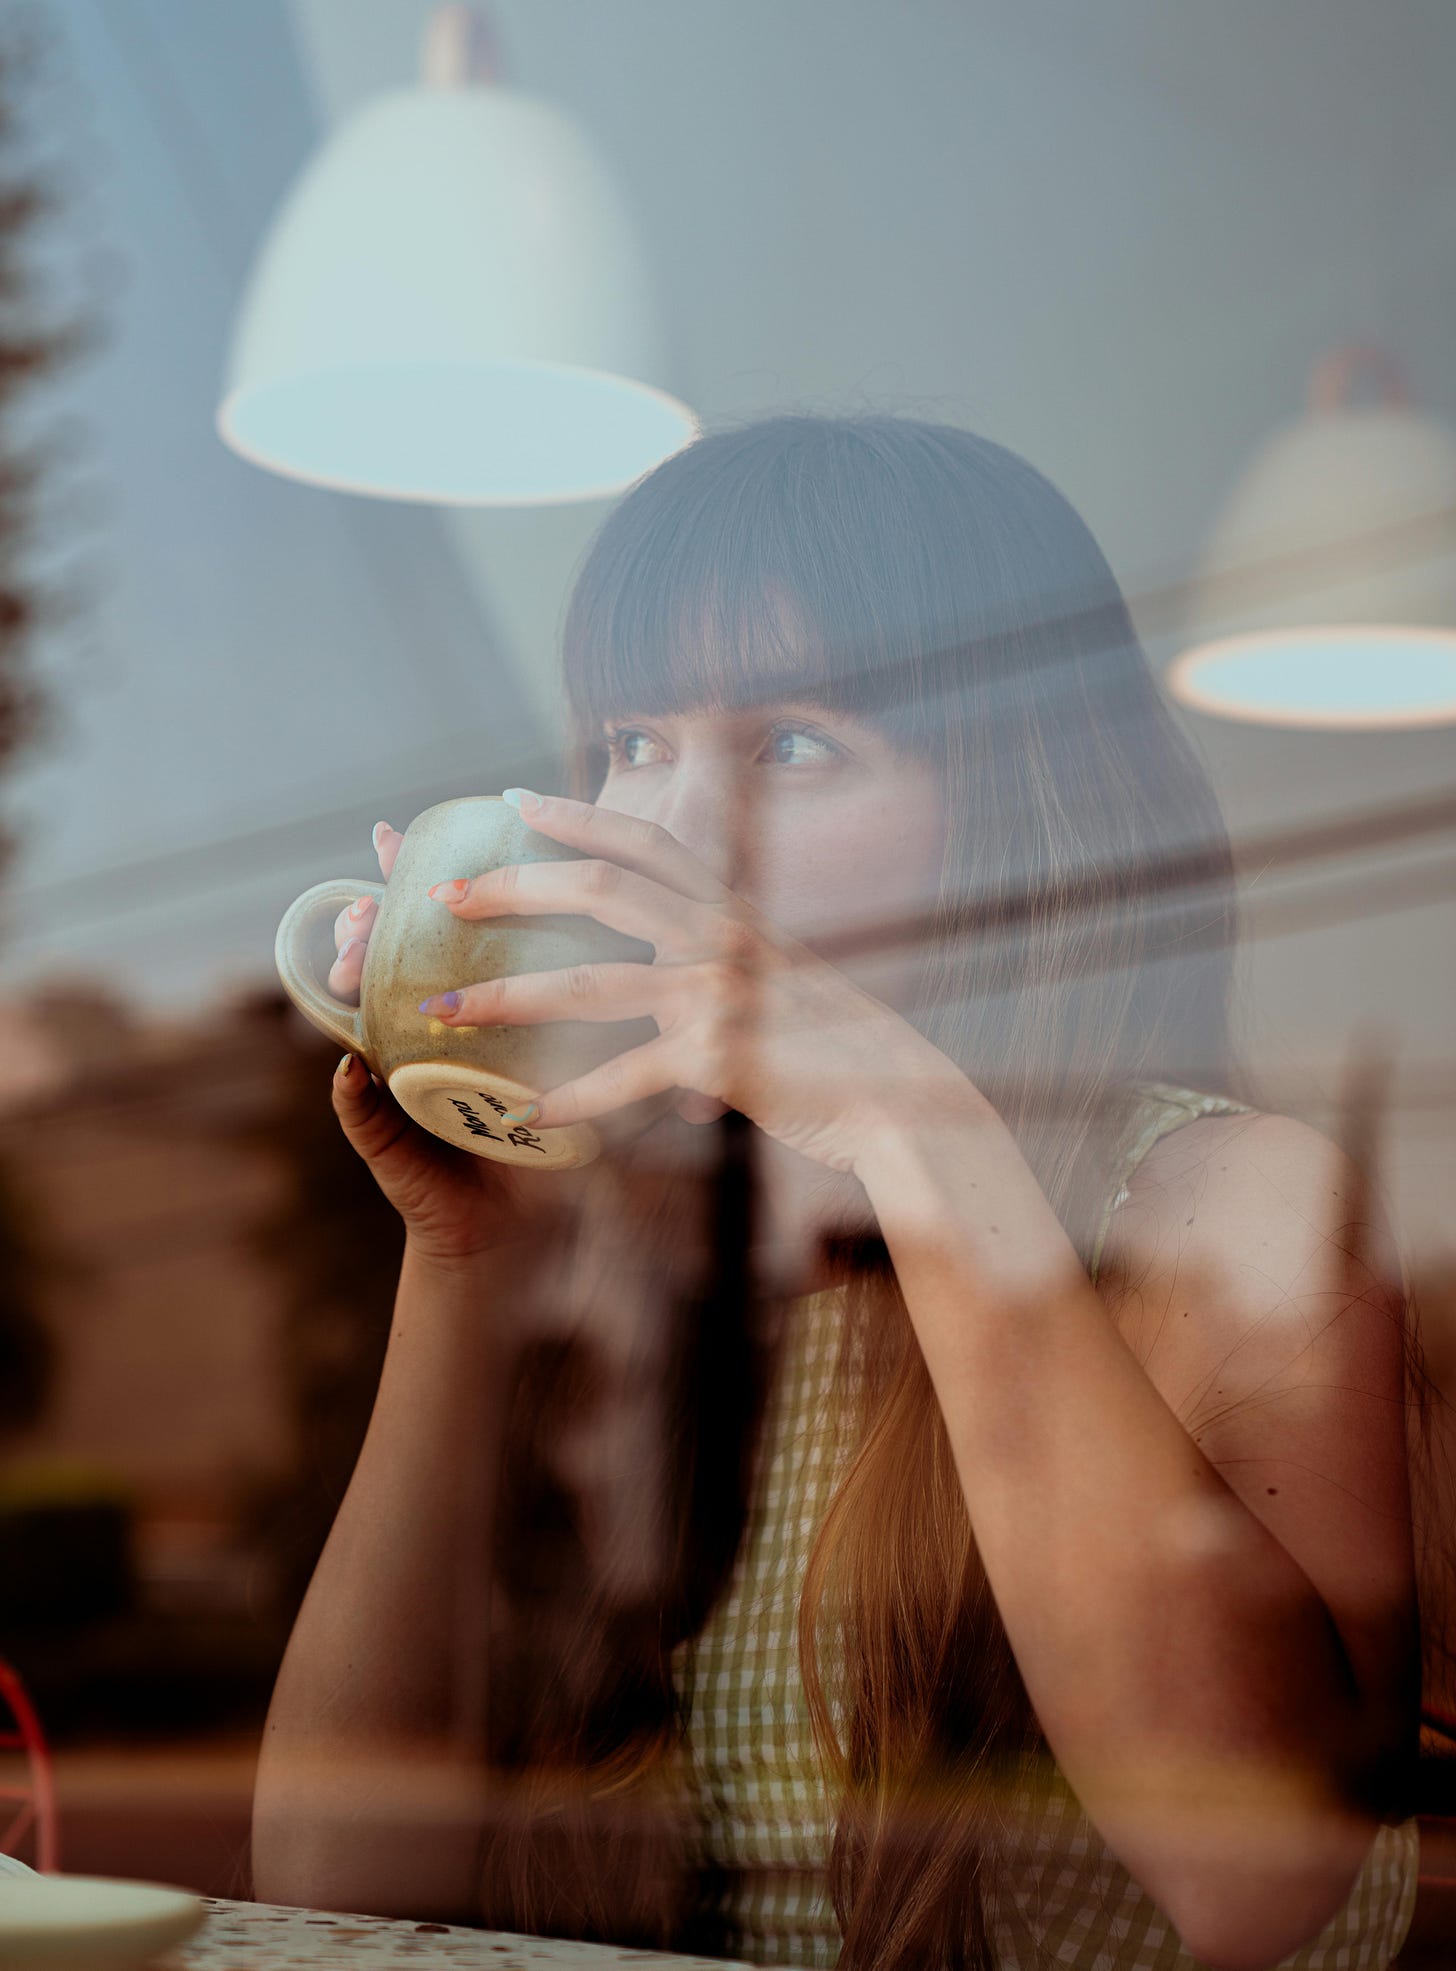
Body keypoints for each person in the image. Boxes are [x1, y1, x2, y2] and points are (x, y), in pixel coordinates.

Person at [251, 414, 1430, 1971]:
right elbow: (330, 1878)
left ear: (1019, 805)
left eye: (796, 745)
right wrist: (470, 1260)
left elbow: (1253, 1882)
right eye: (633, 744)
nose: (668, 829)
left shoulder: (1228, 1207)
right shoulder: (655, 1250)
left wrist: (901, 1119)